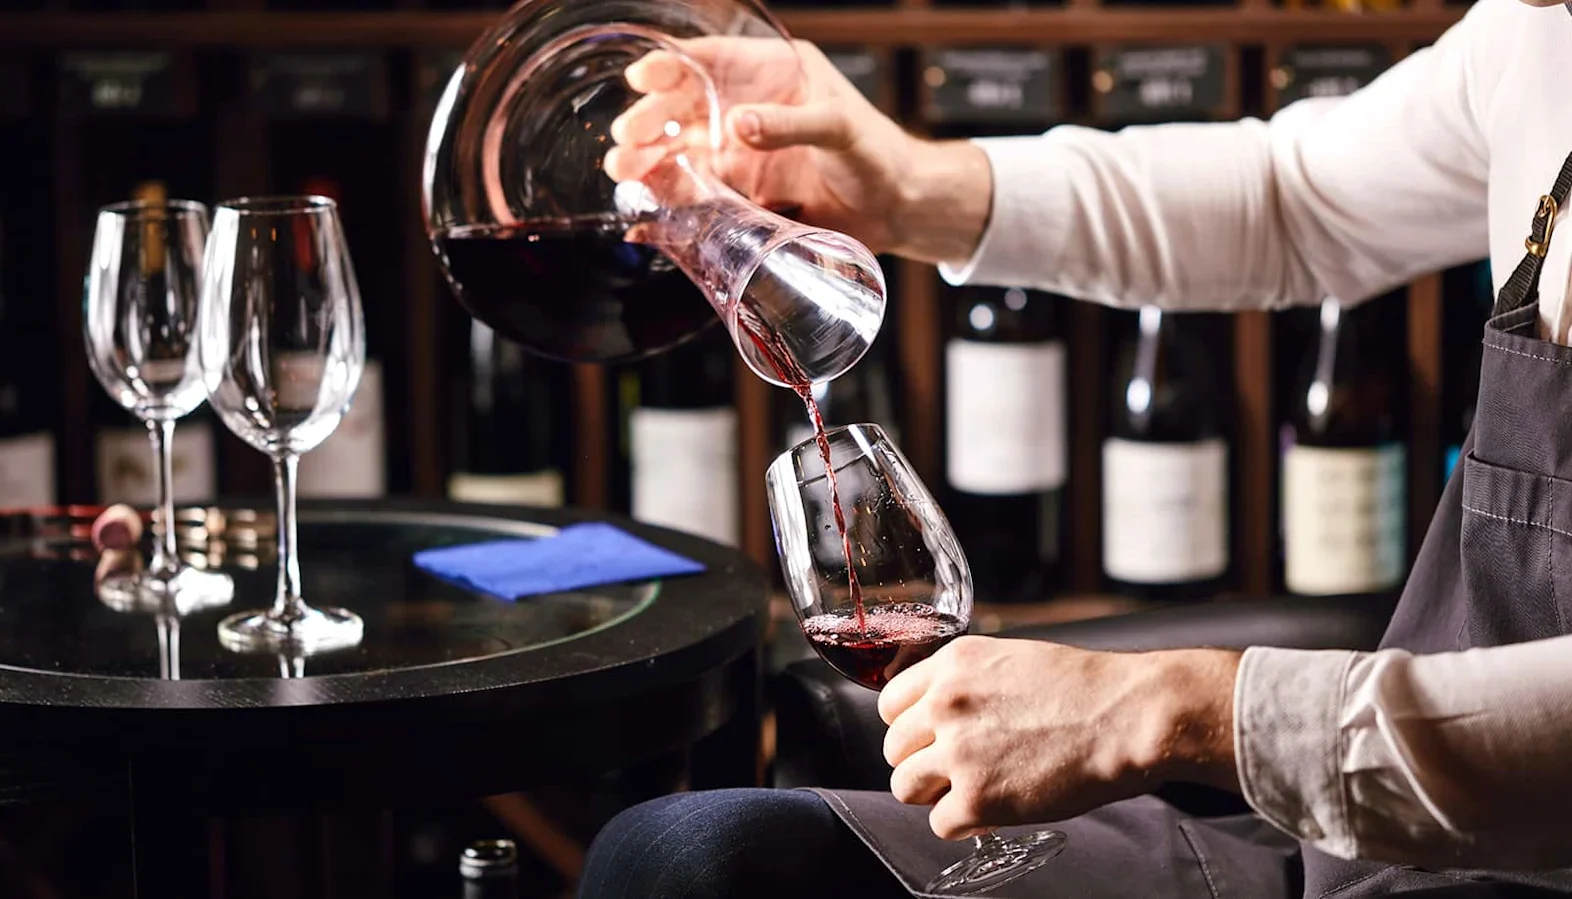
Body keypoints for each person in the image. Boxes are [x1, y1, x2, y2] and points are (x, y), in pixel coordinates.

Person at [580, 0, 1572, 896]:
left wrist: (1175, 707)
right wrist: (903, 181)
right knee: (682, 856)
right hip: (1365, 845)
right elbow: (1292, 194)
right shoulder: (1535, 32)